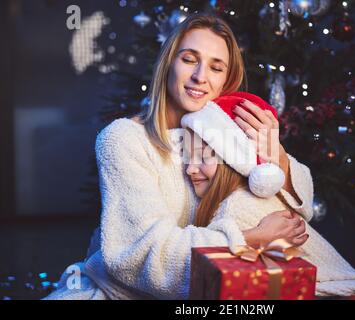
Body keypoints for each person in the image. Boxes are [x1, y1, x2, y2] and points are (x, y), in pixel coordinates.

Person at [44, 13, 312, 300]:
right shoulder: (123, 138)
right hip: (116, 294)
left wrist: (278, 158)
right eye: (188, 59)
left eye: (216, 67)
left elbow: (299, 211)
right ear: (168, 64)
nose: (200, 76)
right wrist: (250, 238)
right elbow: (142, 253)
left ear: (226, 81)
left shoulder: (228, 136)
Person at [181, 92, 355, 299]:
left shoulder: (236, 208)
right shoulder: (246, 198)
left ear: (234, 158)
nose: (190, 170)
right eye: (187, 158)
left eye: (204, 157)